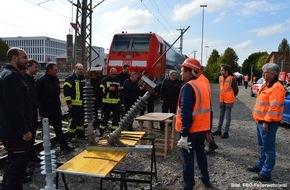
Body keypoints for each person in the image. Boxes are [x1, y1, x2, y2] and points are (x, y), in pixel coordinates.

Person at [175, 58, 212, 189]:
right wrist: (208, 131)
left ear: (189, 72)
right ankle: (205, 179)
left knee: (188, 161)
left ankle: (188, 186)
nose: (180, 74)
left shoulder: (188, 87)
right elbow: (209, 110)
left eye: (182, 71)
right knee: (201, 156)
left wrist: (184, 134)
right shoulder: (203, 85)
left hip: (190, 132)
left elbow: (186, 113)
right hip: (201, 130)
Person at [0, 47, 33, 189]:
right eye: (24, 57)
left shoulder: (10, 75)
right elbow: (14, 109)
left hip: (11, 130)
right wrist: (25, 130)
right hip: (15, 133)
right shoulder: (11, 77)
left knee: (12, 164)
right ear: (14, 58)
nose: (27, 61)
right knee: (17, 171)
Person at [248, 63, 285, 182]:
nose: (263, 74)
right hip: (260, 121)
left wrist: (267, 121)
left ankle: (266, 173)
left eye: (265, 72)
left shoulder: (277, 87)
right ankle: (261, 166)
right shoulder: (267, 85)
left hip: (267, 123)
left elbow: (274, 107)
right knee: (263, 146)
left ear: (273, 74)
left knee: (269, 148)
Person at [36, 62, 74, 151]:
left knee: (58, 128)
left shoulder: (56, 79)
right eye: (55, 69)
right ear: (49, 70)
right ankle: (46, 148)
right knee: (45, 130)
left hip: (56, 109)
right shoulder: (41, 81)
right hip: (46, 110)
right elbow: (36, 96)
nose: (57, 71)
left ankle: (64, 146)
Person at [212, 64, 239, 139]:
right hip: (222, 99)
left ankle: (226, 132)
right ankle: (219, 130)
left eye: (222, 70)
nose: (221, 71)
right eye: (221, 70)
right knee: (221, 116)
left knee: (227, 117)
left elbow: (236, 90)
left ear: (226, 71)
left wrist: (231, 96)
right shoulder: (220, 78)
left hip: (229, 101)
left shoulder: (232, 78)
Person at [24, 59, 41, 164]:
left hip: (33, 111)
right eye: (35, 67)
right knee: (27, 137)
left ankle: (32, 155)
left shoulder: (31, 80)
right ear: (28, 67)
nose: (37, 69)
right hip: (27, 112)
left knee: (33, 134)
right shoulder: (24, 79)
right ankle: (27, 159)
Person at [64, 63, 86, 141]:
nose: (81, 71)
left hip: (83, 104)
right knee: (74, 120)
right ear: (75, 69)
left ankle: (80, 135)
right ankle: (71, 136)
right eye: (79, 69)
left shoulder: (84, 79)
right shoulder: (70, 79)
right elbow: (66, 91)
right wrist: (68, 102)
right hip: (74, 104)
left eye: (82, 69)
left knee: (81, 120)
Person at [99, 67, 122, 136]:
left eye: (115, 74)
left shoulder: (117, 80)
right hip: (107, 103)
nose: (114, 76)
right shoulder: (105, 80)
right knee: (105, 118)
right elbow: (101, 89)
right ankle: (101, 133)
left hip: (115, 103)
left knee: (116, 119)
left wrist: (120, 89)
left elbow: (120, 91)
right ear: (110, 73)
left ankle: (113, 133)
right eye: (113, 74)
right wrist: (108, 89)